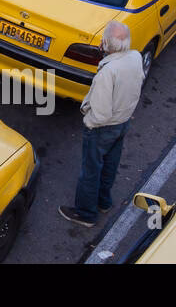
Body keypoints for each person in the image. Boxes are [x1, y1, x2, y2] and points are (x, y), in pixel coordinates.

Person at [59, 20, 145, 228]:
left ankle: (86, 213)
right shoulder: (135, 57)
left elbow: (100, 113)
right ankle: (103, 202)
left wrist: (88, 122)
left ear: (106, 43)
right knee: (110, 165)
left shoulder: (107, 72)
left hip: (101, 129)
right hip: (122, 122)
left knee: (91, 170)